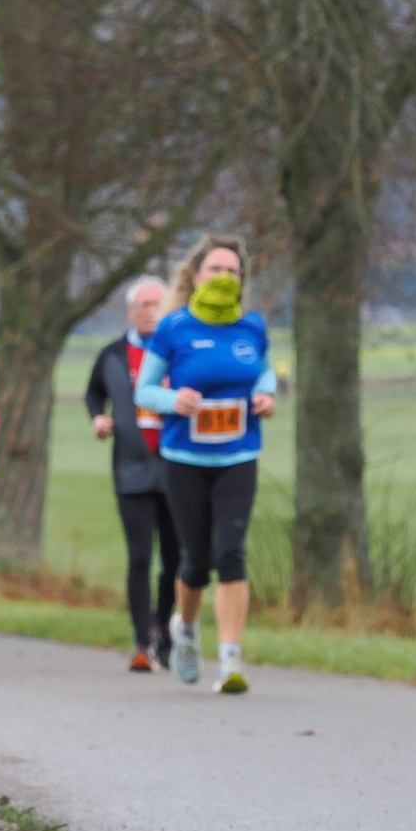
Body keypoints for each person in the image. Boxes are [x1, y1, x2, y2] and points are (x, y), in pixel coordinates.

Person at [134, 235, 277, 695]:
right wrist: (174, 400)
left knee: (231, 554)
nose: (224, 277)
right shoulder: (173, 328)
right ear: (196, 276)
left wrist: (266, 394)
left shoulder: (251, 327)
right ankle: (188, 631)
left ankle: (231, 660)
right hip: (186, 459)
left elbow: (264, 371)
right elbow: (144, 390)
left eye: (232, 271)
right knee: (195, 562)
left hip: (239, 455)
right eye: (215, 269)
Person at [85, 276, 181, 672]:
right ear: (131, 311)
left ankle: (164, 629)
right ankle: (142, 640)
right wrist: (98, 418)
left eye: (159, 304)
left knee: (176, 559)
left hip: (177, 469)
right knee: (140, 556)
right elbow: (94, 392)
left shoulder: (180, 352)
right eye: (145, 305)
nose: (152, 312)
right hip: (132, 470)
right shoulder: (112, 355)